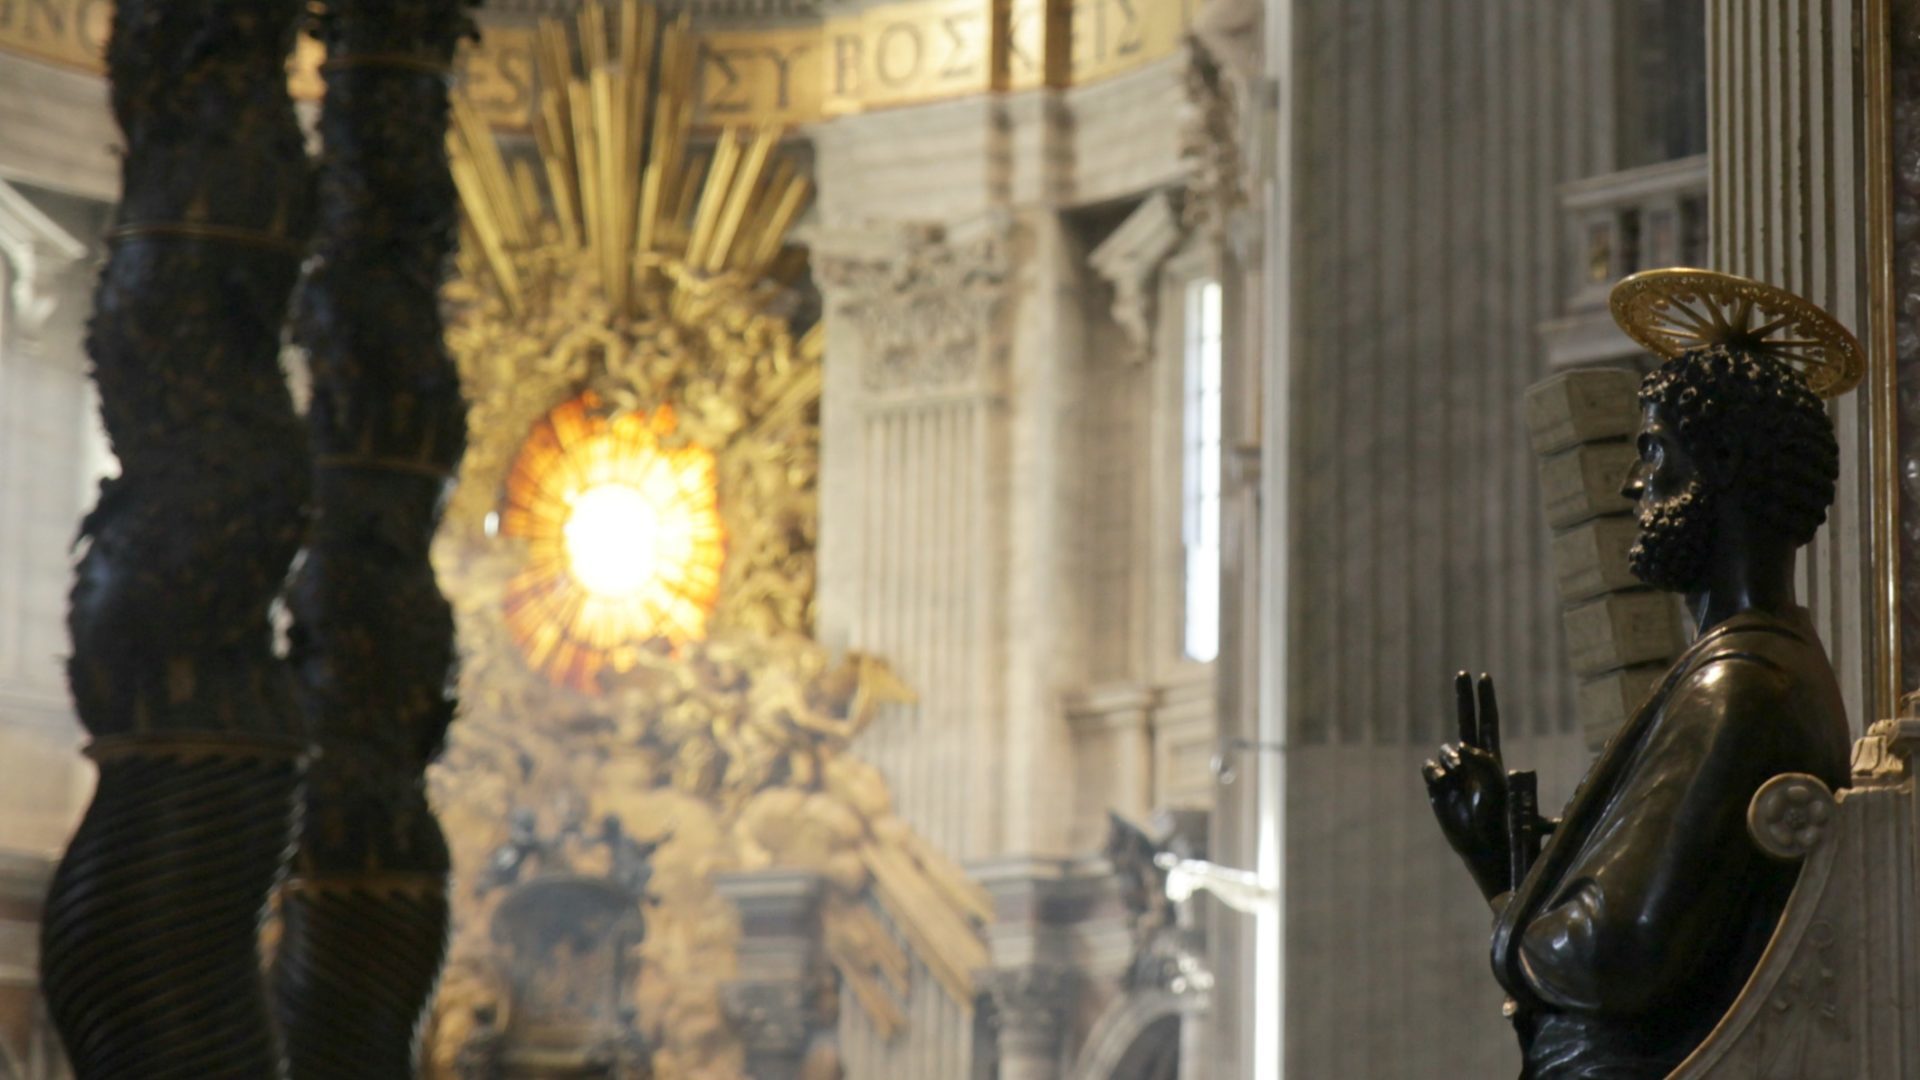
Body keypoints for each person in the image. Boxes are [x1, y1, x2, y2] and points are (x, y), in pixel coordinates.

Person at [1422, 344, 1853, 1078]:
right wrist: (1500, 853)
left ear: (1722, 467)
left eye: (1654, 452)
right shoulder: (1748, 666)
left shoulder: (1738, 688)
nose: (1633, 485)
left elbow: (1610, 952)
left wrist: (1516, 911)